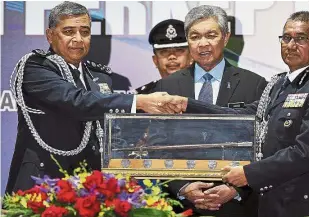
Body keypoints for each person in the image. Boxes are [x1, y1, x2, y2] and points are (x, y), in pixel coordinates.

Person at [168, 11, 309, 217]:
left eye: (301, 39)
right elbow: (244, 115)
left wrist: (247, 174)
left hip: (303, 204)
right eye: (286, 38)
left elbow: (305, 153)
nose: (291, 45)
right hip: (272, 203)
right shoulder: (279, 84)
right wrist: (186, 104)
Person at [5, 1, 179, 194]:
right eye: (69, 31)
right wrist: (138, 102)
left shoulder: (100, 76)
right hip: (43, 182)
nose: (78, 39)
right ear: (50, 35)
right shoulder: (35, 68)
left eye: (85, 32)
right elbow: (76, 101)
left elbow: (108, 130)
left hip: (89, 186)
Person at [151, 5, 267, 217]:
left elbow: (264, 147)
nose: (203, 43)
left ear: (225, 37)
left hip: (237, 205)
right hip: (182, 206)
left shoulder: (255, 85)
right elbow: (156, 148)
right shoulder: (166, 88)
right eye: (195, 36)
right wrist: (182, 187)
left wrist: (236, 188)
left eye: (211, 35)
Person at [135, 19, 193, 94]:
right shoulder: (142, 97)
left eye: (179, 50)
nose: (172, 56)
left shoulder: (205, 93)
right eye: (164, 52)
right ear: (155, 60)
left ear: (191, 57)